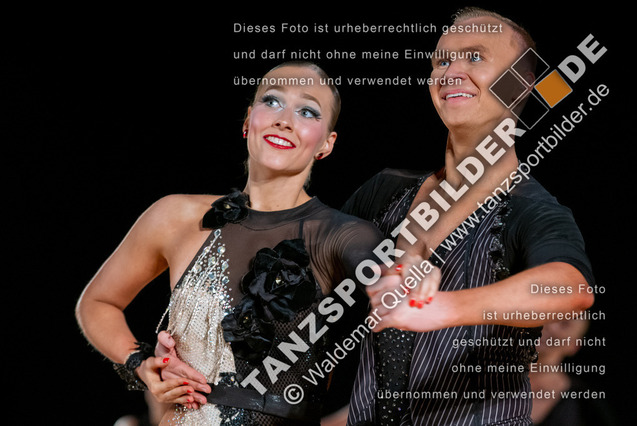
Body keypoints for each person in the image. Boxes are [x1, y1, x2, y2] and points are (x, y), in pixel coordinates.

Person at [75, 61, 396, 425]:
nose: (284, 120)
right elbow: (98, 302)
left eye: (307, 111)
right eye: (272, 101)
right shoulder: (175, 216)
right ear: (247, 121)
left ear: (326, 144)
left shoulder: (342, 235)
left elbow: (396, 290)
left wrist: (404, 278)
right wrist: (141, 365)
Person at [343, 7, 596, 425]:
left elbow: (570, 288)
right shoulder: (383, 190)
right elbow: (310, 279)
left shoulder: (530, 207)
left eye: (475, 57)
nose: (451, 72)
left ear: (521, 84)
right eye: (441, 61)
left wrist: (441, 308)